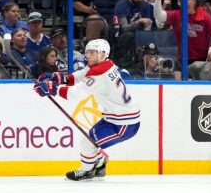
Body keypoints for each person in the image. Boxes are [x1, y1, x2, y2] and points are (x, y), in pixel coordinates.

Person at [33, 39, 140, 181]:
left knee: (88, 141)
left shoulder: (100, 75)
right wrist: (56, 77)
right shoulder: (105, 65)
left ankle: (86, 171)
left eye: (92, 53)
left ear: (102, 54)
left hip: (124, 124)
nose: (87, 56)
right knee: (90, 138)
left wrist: (52, 88)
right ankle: (100, 165)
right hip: (116, 118)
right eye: (87, 52)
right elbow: (79, 76)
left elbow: (75, 94)